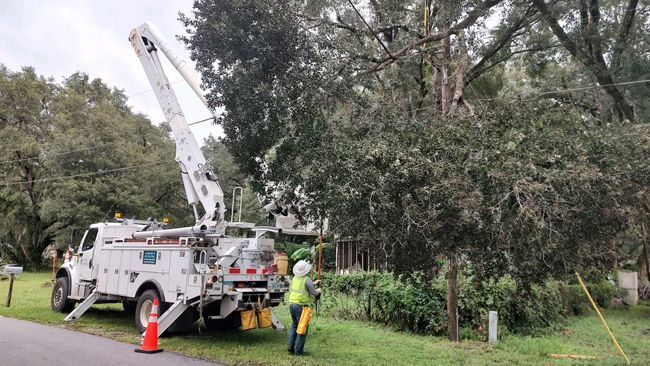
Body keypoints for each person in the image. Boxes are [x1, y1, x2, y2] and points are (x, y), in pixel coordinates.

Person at [287, 260, 321, 356]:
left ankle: (291, 346)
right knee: (302, 327)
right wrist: (319, 290)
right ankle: (298, 352)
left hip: (292, 304)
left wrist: (314, 283)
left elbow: (305, 286)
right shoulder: (307, 279)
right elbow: (314, 293)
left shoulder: (295, 278)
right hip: (300, 306)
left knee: (295, 325)